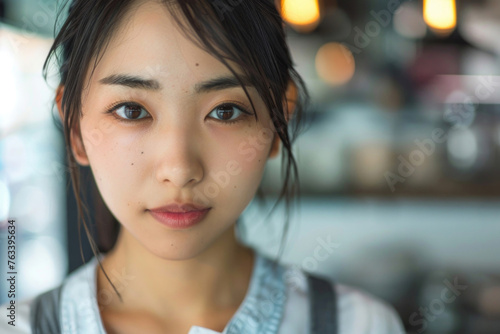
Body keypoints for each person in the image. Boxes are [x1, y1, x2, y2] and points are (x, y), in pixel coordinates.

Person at [1, 0, 406, 333]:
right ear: (75, 128)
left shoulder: (361, 326)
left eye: (226, 111)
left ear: (278, 123)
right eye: (131, 110)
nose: (179, 169)